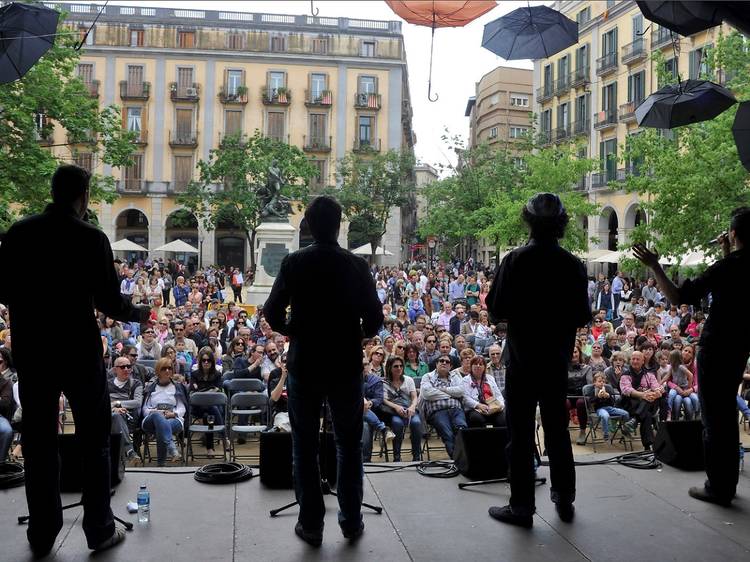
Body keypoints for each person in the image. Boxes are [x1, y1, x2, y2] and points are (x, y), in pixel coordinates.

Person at [0, 165, 150, 555]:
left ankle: (42, 532)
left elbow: (2, 287)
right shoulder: (91, 238)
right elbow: (107, 301)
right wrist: (138, 313)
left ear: (53, 192)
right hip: (78, 352)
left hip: (34, 352)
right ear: (82, 196)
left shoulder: (19, 234)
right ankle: (99, 529)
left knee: (38, 441)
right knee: (94, 441)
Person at [264, 196, 382, 546]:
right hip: (345, 364)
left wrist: (293, 330)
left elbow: (271, 312)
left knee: (303, 445)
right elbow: (375, 320)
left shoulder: (294, 262)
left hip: (306, 363)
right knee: (348, 445)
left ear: (309, 226)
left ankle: (311, 525)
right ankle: (350, 521)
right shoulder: (356, 266)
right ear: (339, 224)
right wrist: (353, 335)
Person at [485, 193, 590, 528]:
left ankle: (522, 507)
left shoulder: (515, 260)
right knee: (558, 430)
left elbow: (495, 308)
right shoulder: (573, 265)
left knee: (520, 432)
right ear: (561, 225)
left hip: (523, 360)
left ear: (527, 220)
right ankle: (564, 497)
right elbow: (583, 315)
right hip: (556, 361)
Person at [634, 209, 750, 506]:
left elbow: (678, 298)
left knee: (714, 420)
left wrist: (655, 266)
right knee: (726, 413)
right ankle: (728, 482)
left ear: (734, 234)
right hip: (740, 347)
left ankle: (718, 488)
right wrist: (726, 252)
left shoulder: (727, 268)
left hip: (717, 348)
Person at [141, 358, 187, 466]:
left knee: (161, 427)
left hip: (173, 419)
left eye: (170, 368)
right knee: (158, 418)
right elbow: (144, 409)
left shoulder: (177, 387)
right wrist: (156, 412)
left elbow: (182, 408)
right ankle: (171, 448)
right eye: (164, 369)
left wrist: (173, 414)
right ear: (158, 371)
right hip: (151, 420)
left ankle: (161, 464)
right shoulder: (150, 387)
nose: (167, 371)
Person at [419, 355, 467, 457]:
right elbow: (427, 393)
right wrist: (451, 394)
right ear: (436, 364)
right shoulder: (427, 376)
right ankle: (455, 459)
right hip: (437, 411)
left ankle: (462, 459)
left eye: (447, 362)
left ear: (450, 366)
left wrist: (442, 389)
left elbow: (461, 391)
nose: (444, 363)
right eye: (441, 361)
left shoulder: (455, 376)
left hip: (456, 409)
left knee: (461, 429)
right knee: (447, 433)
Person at [381, 356, 421, 462]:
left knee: (416, 423)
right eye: (395, 366)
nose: (399, 368)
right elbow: (384, 400)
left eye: (401, 366)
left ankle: (417, 456)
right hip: (394, 412)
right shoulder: (384, 382)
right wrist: (396, 407)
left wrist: (412, 407)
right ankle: (397, 457)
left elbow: (414, 396)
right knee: (397, 424)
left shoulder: (408, 380)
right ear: (389, 368)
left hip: (410, 410)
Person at [108, 356, 143, 463]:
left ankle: (127, 452)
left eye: (129, 366)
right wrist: (113, 409)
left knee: (117, 416)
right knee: (115, 416)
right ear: (115, 369)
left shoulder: (136, 383)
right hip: (108, 418)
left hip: (129, 419)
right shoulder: (107, 384)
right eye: (123, 367)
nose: (127, 369)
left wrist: (116, 404)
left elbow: (137, 402)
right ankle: (130, 451)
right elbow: (101, 404)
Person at [584, 373, 631, 442]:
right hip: (600, 409)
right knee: (605, 416)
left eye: (603, 382)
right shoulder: (593, 391)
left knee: (626, 413)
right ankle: (606, 434)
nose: (602, 383)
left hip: (610, 408)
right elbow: (591, 402)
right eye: (599, 381)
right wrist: (598, 397)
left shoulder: (607, 389)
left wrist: (608, 396)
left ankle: (625, 430)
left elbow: (613, 403)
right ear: (594, 382)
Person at [462, 356, 506, 428]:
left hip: (492, 407)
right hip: (476, 409)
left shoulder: (490, 378)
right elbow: (465, 398)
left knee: (503, 419)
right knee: (476, 419)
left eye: (481, 364)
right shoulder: (465, 380)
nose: (478, 366)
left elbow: (498, 395)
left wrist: (500, 405)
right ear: (471, 366)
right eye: (475, 364)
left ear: (484, 367)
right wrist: (478, 405)